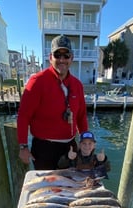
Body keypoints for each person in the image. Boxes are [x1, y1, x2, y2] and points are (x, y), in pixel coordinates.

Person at [17, 34, 88, 170]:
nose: (62, 59)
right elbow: (24, 115)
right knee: (47, 189)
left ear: (71, 58)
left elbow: (81, 116)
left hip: (70, 147)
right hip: (44, 149)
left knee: (70, 188)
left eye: (66, 55)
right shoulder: (37, 81)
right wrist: (23, 146)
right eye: (57, 55)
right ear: (50, 58)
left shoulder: (77, 85)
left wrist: (85, 140)